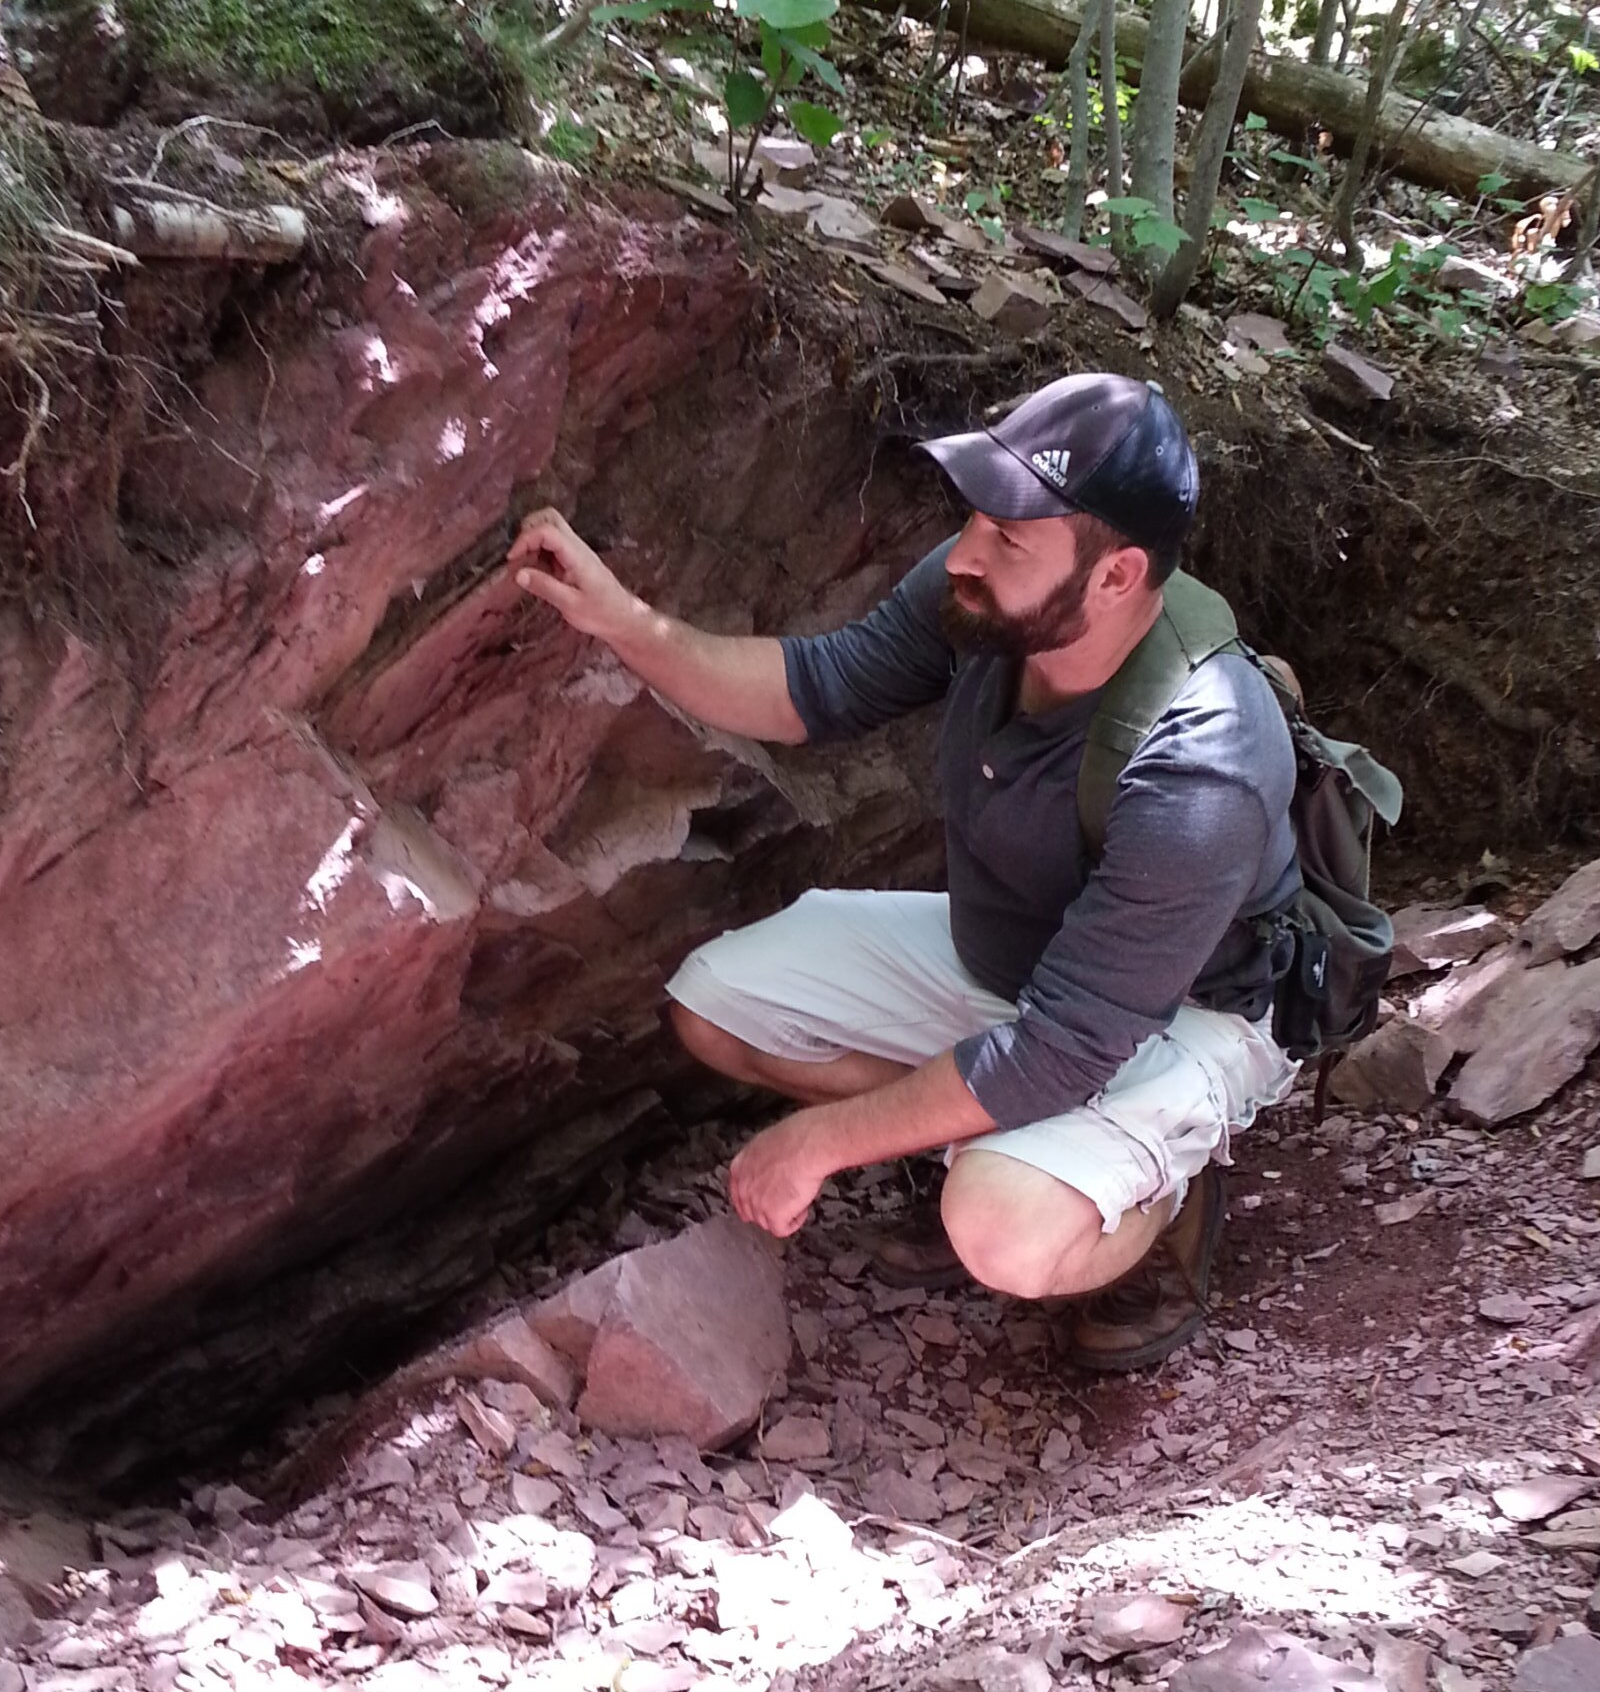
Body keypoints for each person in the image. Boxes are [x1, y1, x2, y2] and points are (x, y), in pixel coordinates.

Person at [508, 370, 1301, 1370]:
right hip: (1020, 959)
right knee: (717, 1005)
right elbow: (817, 689)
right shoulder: (985, 597)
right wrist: (624, 620)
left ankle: (1158, 1200)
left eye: (1009, 537)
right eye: (977, 517)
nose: (966, 552)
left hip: (1183, 1012)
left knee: (1000, 1224)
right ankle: (999, 1142)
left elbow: (1067, 1045)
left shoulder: (1205, 755)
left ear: (1116, 576)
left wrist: (826, 1140)